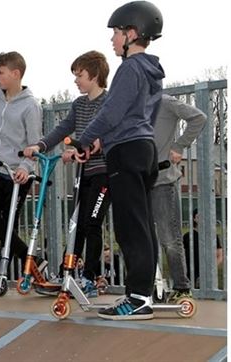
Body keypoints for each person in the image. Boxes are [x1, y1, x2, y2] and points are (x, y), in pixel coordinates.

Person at [77, 1, 164, 320]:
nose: (112, 38)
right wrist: (104, 139)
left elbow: (111, 112)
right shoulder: (153, 71)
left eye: (116, 32)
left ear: (133, 33)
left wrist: (83, 139)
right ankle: (144, 293)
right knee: (143, 226)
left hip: (126, 153)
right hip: (144, 148)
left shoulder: (130, 68)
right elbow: (144, 115)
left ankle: (138, 298)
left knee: (130, 228)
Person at [23, 50, 111, 297]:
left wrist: (94, 145)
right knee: (77, 224)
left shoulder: (109, 102)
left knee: (92, 222)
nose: (76, 80)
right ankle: (67, 273)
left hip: (103, 172)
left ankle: (91, 278)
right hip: (84, 173)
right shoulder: (79, 104)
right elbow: (63, 129)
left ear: (94, 75)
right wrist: (39, 146)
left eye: (79, 75)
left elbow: (111, 132)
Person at [0, 51, 42, 288]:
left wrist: (26, 167)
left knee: (10, 223)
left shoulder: (30, 106)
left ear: (15, 74)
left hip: (19, 173)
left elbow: (34, 142)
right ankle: (32, 260)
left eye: (1, 72)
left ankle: (3, 271)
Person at [151, 94, 207, 300]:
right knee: (140, 238)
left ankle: (182, 287)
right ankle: (149, 287)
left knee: (169, 239)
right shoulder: (130, 105)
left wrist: (180, 144)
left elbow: (198, 117)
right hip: (137, 181)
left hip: (162, 180)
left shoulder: (165, 102)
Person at [183, 208, 224, 288]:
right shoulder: (187, 236)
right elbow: (182, 254)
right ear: (194, 219)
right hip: (190, 272)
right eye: (199, 216)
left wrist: (212, 268)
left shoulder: (212, 236)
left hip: (207, 272)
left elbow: (220, 254)